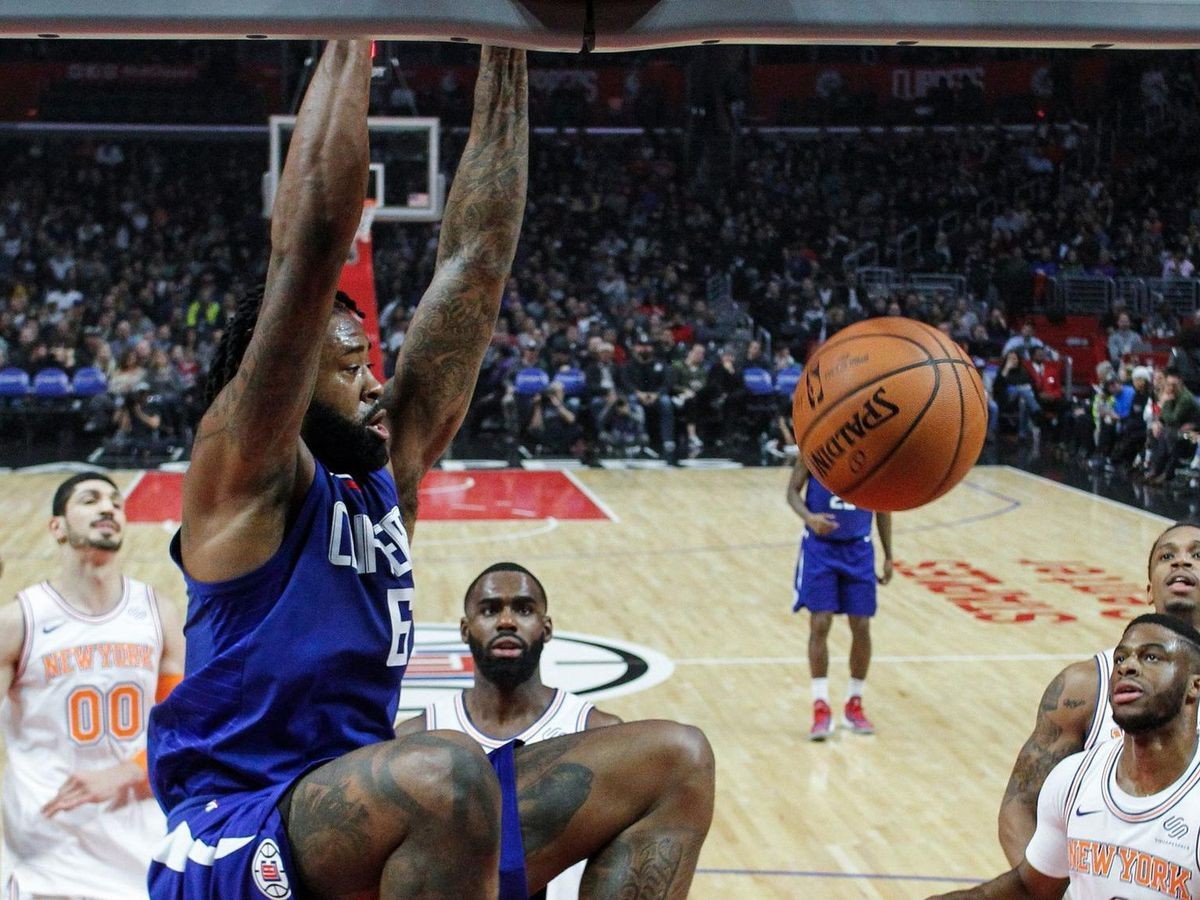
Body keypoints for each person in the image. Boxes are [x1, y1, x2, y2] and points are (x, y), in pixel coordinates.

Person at [146, 41, 713, 900]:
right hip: (237, 830)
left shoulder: (383, 479)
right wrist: (354, 31)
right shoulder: (244, 468)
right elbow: (308, 249)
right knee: (446, 773)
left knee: (675, 762)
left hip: (378, 815)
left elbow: (477, 260)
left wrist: (510, 42)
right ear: (293, 378)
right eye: (349, 364)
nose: (377, 380)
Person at [0, 471, 185, 899]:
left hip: (139, 838)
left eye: (116, 502)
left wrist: (125, 773)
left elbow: (177, 730)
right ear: (57, 527)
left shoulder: (158, 612)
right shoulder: (18, 622)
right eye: (89, 500)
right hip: (47, 851)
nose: (108, 508)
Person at [395, 562, 621, 900]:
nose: (506, 621)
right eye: (489, 610)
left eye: (524, 609)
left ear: (546, 628)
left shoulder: (600, 735)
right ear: (464, 629)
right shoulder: (416, 737)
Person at [935, 614, 1200, 899]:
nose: (1128, 667)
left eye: (1151, 658)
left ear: (1194, 687)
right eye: (1121, 659)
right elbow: (1029, 888)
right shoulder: (1074, 777)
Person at [997, 520, 1200, 866]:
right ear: (1148, 589)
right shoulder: (1087, 685)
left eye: (1197, 554)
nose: (1180, 562)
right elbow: (1019, 808)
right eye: (1167, 555)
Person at [786, 456, 893, 741]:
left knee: (861, 625)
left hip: (859, 549)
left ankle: (854, 703)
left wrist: (889, 555)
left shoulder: (875, 455)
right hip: (821, 549)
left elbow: (883, 507)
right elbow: (792, 492)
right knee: (820, 623)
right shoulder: (814, 447)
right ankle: (820, 705)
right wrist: (809, 518)